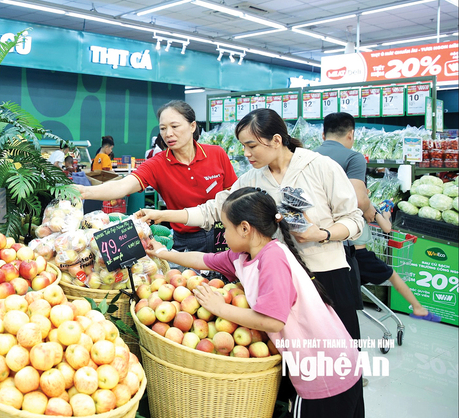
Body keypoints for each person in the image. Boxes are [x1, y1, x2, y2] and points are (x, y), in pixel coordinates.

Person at [138, 108, 364, 342]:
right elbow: (211, 210)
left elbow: (354, 219)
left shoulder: (320, 167)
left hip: (327, 276)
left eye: (251, 146)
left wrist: (322, 233)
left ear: (276, 140)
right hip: (277, 280)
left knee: (337, 354)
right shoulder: (252, 179)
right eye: (243, 146)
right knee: (293, 359)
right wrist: (162, 215)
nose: (246, 153)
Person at [144, 187, 363, 418]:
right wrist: (163, 253)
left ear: (245, 228)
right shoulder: (245, 256)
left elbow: (273, 321)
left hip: (324, 370)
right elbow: (203, 259)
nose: (223, 235)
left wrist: (221, 308)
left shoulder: (272, 259)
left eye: (226, 228)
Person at [316, 113, 439, 323]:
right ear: (351, 134)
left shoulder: (307, 157)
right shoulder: (352, 157)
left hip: (318, 240)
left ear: (322, 134)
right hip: (347, 244)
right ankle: (418, 308)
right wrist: (370, 211)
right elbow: (357, 198)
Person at [76, 101, 237, 253]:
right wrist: (85, 191)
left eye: (174, 126)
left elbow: (235, 196)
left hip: (223, 235)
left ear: (192, 126)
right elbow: (123, 186)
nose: (168, 134)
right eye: (163, 128)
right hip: (187, 240)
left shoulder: (216, 154)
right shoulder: (157, 164)